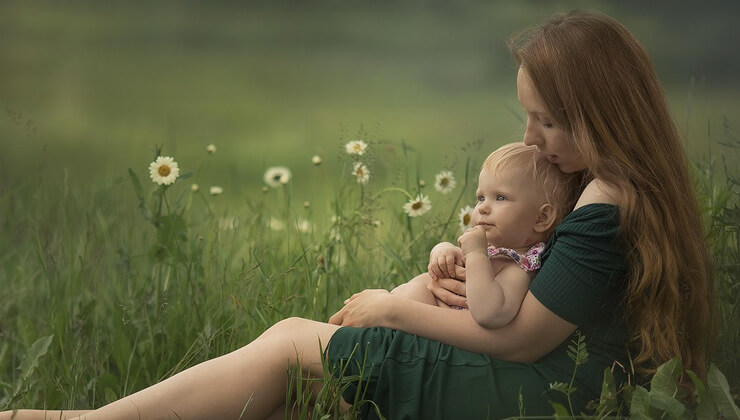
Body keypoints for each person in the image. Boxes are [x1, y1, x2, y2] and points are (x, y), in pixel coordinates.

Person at [1, 10, 715, 420]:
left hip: (542, 393)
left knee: (290, 346)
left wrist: (393, 311)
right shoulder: (622, 186)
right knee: (297, 375)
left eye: (547, 123)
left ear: (599, 114)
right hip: (565, 380)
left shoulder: (602, 199)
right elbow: (545, 298)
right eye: (526, 117)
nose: (529, 139)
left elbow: (525, 342)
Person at [391, 142, 580, 330]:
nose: (482, 207)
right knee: (411, 291)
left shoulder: (519, 268)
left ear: (541, 218)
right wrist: (445, 251)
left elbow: (490, 314)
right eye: (481, 198)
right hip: (412, 319)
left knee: (415, 293)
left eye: (500, 198)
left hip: (438, 336)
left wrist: (475, 255)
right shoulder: (492, 250)